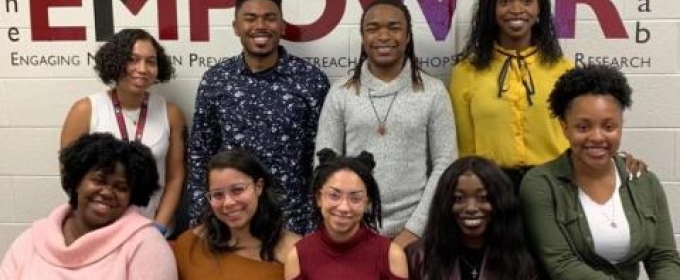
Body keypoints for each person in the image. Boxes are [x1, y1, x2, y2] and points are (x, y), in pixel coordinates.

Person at [314, 0, 456, 248]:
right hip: (353, 230)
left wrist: (413, 231)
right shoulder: (341, 92)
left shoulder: (433, 91)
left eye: (394, 27)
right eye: (373, 28)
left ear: (408, 35)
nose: (384, 36)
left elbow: (446, 163)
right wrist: (346, 221)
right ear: (362, 37)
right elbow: (324, 165)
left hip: (416, 237)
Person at [520, 65, 680, 279]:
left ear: (621, 126)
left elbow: (663, 258)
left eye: (609, 127)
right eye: (583, 127)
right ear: (565, 127)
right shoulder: (541, 184)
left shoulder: (644, 181)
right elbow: (561, 265)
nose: (597, 137)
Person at [186, 0, 330, 234]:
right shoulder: (216, 80)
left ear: (282, 26)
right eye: (250, 18)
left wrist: (316, 223)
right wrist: (200, 217)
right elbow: (201, 153)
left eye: (270, 18)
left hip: (292, 220)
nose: (260, 25)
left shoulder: (311, 81)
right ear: (235, 27)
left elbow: (320, 158)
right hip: (231, 218)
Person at [60, 28, 186, 237]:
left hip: (150, 229)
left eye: (151, 61)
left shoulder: (170, 113)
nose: (142, 69)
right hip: (98, 231)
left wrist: (159, 226)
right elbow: (70, 175)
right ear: (116, 62)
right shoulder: (85, 110)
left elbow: (175, 177)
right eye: (132, 60)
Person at [1, 133, 177, 279]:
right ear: (77, 181)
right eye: (99, 180)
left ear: (132, 196)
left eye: (121, 187)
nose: (107, 192)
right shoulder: (32, 239)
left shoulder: (146, 245)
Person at [449, 0, 572, 187]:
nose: (516, 10)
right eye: (505, 2)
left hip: (554, 183)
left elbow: (577, 134)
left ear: (540, 8)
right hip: (492, 186)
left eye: (527, 2)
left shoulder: (563, 69)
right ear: (491, 9)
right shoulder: (465, 72)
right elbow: (464, 149)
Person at [173, 149, 299, 280]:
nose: (228, 202)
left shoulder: (293, 252)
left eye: (237, 190)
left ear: (258, 186)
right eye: (217, 194)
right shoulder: (190, 246)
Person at [406, 156, 539, 280]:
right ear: (445, 204)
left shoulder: (522, 260)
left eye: (483, 198)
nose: (471, 208)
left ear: (500, 203)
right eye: (459, 198)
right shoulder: (418, 257)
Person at [284, 149, 409, 280]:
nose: (344, 207)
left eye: (355, 198)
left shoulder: (391, 255)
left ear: (367, 203)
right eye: (334, 195)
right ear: (319, 198)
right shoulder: (298, 256)